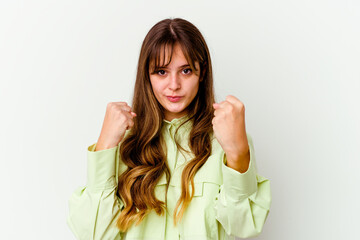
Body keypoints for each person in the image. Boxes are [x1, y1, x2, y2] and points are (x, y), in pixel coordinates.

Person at [66, 17, 271, 240]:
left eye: (185, 71)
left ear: (201, 73)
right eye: (161, 72)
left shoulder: (226, 139)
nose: (174, 85)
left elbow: (242, 228)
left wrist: (237, 152)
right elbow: (94, 234)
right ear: (147, 76)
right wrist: (105, 146)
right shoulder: (123, 141)